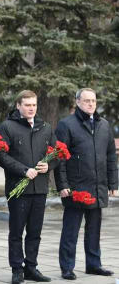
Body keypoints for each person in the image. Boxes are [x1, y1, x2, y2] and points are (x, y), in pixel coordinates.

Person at [54, 88, 118, 281]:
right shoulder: (66, 125)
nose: (91, 104)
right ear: (78, 102)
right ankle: (67, 267)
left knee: (94, 230)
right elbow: (60, 158)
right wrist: (63, 185)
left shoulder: (104, 124)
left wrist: (113, 182)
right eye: (87, 101)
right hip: (76, 187)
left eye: (93, 101)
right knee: (70, 231)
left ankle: (94, 264)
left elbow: (110, 156)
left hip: (97, 186)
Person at [0, 90, 57, 284]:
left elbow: (56, 154)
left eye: (34, 105)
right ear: (18, 106)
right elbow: (1, 156)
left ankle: (31, 267)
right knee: (16, 231)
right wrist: (23, 170)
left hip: (39, 189)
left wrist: (49, 165)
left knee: (35, 232)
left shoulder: (45, 127)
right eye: (28, 105)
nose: (32, 108)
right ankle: (17, 269)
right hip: (18, 188)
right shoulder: (7, 127)